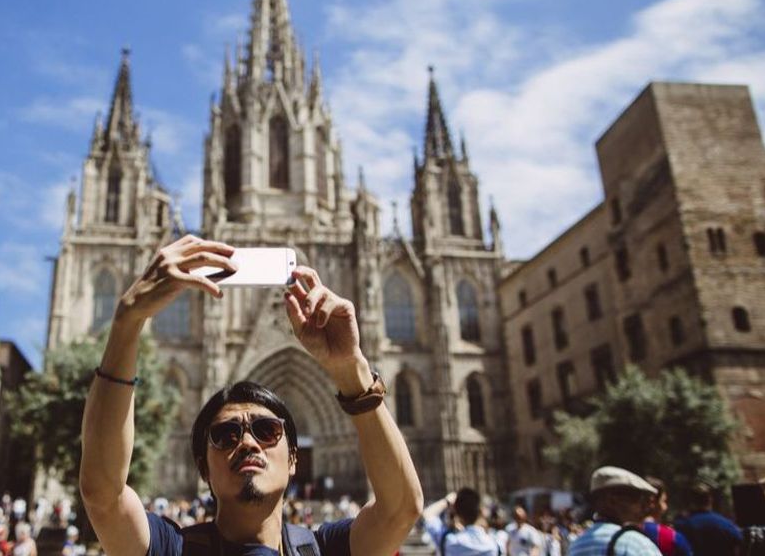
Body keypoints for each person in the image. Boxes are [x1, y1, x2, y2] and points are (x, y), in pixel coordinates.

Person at [79, 235, 424, 555]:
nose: (247, 442)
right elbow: (103, 496)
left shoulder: (323, 549)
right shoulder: (172, 548)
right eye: (225, 435)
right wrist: (128, 320)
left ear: (293, 459)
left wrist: (351, 369)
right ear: (203, 468)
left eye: (266, 430)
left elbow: (401, 510)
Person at [567, 466, 660, 555]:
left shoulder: (577, 545)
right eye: (636, 499)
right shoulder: (636, 545)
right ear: (612, 501)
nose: (643, 508)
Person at [421, 489, 500, 555]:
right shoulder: (496, 543)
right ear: (481, 512)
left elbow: (428, 514)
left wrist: (447, 501)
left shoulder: (449, 542)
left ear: (457, 514)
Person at [673, 483, 741, 556]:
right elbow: (738, 541)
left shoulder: (681, 526)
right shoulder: (726, 524)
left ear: (691, 501)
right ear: (710, 500)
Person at [640, 477, 691, 556]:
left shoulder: (621, 531)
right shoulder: (672, 537)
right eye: (663, 501)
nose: (665, 507)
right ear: (652, 502)